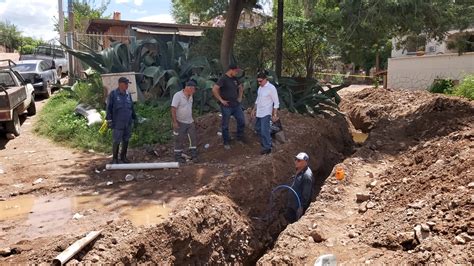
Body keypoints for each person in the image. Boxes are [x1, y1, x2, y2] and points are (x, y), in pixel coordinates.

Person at [212, 63, 245, 150]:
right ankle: (226, 142)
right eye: (236, 71)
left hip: (236, 105)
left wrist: (240, 97)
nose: (237, 73)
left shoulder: (235, 79)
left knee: (242, 121)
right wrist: (221, 100)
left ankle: (239, 138)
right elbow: (215, 89)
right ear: (231, 70)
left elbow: (241, 87)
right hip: (226, 106)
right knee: (225, 125)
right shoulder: (223, 79)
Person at [106, 77, 137, 164]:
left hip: (127, 122)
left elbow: (131, 108)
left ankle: (123, 157)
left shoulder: (128, 95)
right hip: (118, 122)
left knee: (126, 140)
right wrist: (109, 120)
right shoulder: (113, 94)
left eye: (128, 84)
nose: (127, 86)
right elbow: (109, 108)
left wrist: (135, 118)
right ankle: (115, 159)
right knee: (116, 140)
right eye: (125, 84)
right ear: (120, 84)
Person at [251, 72, 280, 154]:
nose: (259, 83)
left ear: (265, 79)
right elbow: (258, 99)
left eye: (260, 81)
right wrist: (254, 109)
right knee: (257, 128)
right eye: (258, 81)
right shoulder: (260, 88)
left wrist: (274, 114)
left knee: (264, 130)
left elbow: (276, 102)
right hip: (259, 112)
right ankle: (268, 138)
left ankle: (267, 147)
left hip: (266, 112)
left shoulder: (271, 88)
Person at [171, 80, 198, 163]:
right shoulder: (178, 95)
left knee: (193, 138)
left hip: (190, 121)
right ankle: (177, 156)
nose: (195, 91)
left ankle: (194, 155)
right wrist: (175, 122)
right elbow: (173, 109)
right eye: (194, 89)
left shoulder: (191, 96)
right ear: (189, 88)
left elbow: (189, 108)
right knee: (179, 139)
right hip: (180, 121)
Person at [286, 152, 314, 223]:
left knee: (293, 222)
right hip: (292, 203)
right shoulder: (299, 169)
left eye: (299, 160)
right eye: (296, 159)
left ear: (305, 162)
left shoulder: (307, 176)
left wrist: (301, 207)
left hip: (297, 206)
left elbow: (306, 194)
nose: (296, 162)